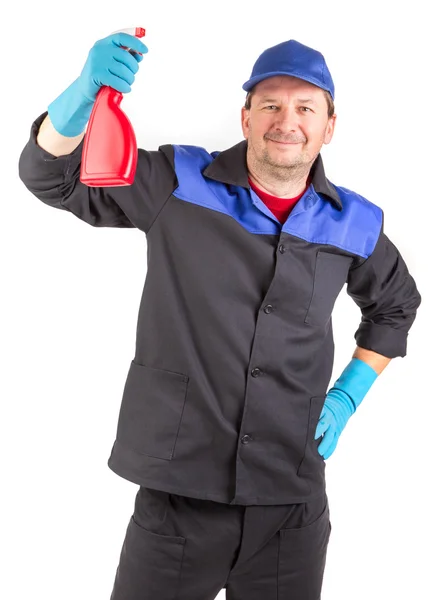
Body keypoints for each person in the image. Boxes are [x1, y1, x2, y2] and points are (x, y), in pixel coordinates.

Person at [18, 32, 421, 600]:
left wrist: (348, 394)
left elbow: (396, 304)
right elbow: (50, 178)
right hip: (179, 506)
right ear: (246, 117)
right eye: (271, 105)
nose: (288, 120)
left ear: (329, 126)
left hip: (291, 510)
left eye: (306, 107)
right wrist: (82, 95)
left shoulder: (354, 222)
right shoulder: (178, 182)